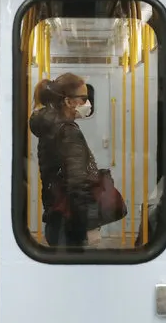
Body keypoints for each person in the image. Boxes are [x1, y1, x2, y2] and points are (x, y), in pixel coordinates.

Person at [29, 73, 98, 247]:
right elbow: (77, 182)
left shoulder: (50, 127)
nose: (86, 104)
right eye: (83, 99)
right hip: (69, 221)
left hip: (55, 215)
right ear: (68, 101)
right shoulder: (68, 131)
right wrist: (90, 225)